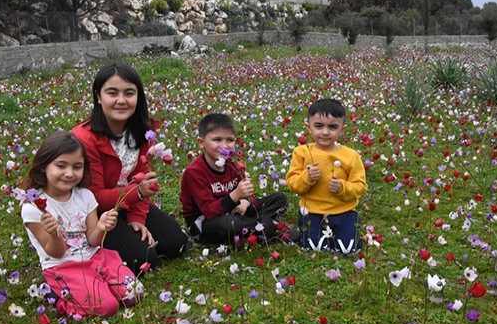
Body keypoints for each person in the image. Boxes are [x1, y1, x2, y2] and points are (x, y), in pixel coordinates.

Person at [72, 60, 187, 275]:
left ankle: (127, 231)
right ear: (98, 96)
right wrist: (138, 193)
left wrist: (137, 218)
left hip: (126, 204)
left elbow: (140, 178)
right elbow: (94, 197)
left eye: (129, 93)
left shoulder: (142, 131)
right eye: (112, 93)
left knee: (176, 243)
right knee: (144, 260)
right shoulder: (85, 139)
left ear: (138, 96)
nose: (121, 101)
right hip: (95, 216)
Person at [19, 131, 140, 317]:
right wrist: (54, 234)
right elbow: (56, 252)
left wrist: (100, 227)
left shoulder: (85, 196)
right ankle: (61, 300)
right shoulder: (33, 207)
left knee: (134, 294)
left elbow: (92, 240)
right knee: (108, 307)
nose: (69, 173)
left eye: (77, 167)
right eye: (61, 166)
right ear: (43, 166)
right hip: (63, 266)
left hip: (96, 257)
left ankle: (94, 289)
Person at [180, 113, 288, 244]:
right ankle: (267, 228)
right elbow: (209, 211)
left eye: (230, 140)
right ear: (201, 143)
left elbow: (250, 195)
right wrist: (235, 196)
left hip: (234, 211)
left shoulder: (233, 164)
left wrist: (247, 201)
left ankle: (257, 230)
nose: (224, 146)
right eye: (217, 140)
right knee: (227, 224)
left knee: (280, 199)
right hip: (206, 221)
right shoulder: (195, 171)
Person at [285, 99, 367, 253]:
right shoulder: (302, 152)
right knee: (314, 248)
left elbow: (360, 186)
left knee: (348, 249)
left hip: (344, 211)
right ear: (309, 127)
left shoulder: (350, 155)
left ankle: (347, 227)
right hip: (311, 212)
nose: (325, 132)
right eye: (318, 126)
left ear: (342, 129)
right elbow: (292, 183)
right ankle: (305, 232)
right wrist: (307, 177)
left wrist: (342, 187)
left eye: (333, 127)